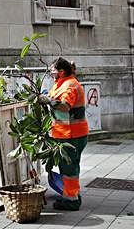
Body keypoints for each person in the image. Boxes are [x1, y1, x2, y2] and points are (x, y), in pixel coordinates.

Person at [39, 57, 88, 211]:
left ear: (61, 71)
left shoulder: (70, 85)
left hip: (72, 135)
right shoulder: (61, 83)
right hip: (66, 133)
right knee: (69, 167)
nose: (51, 73)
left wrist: (47, 101)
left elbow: (65, 106)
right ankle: (71, 194)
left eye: (53, 70)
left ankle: (71, 200)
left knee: (69, 169)